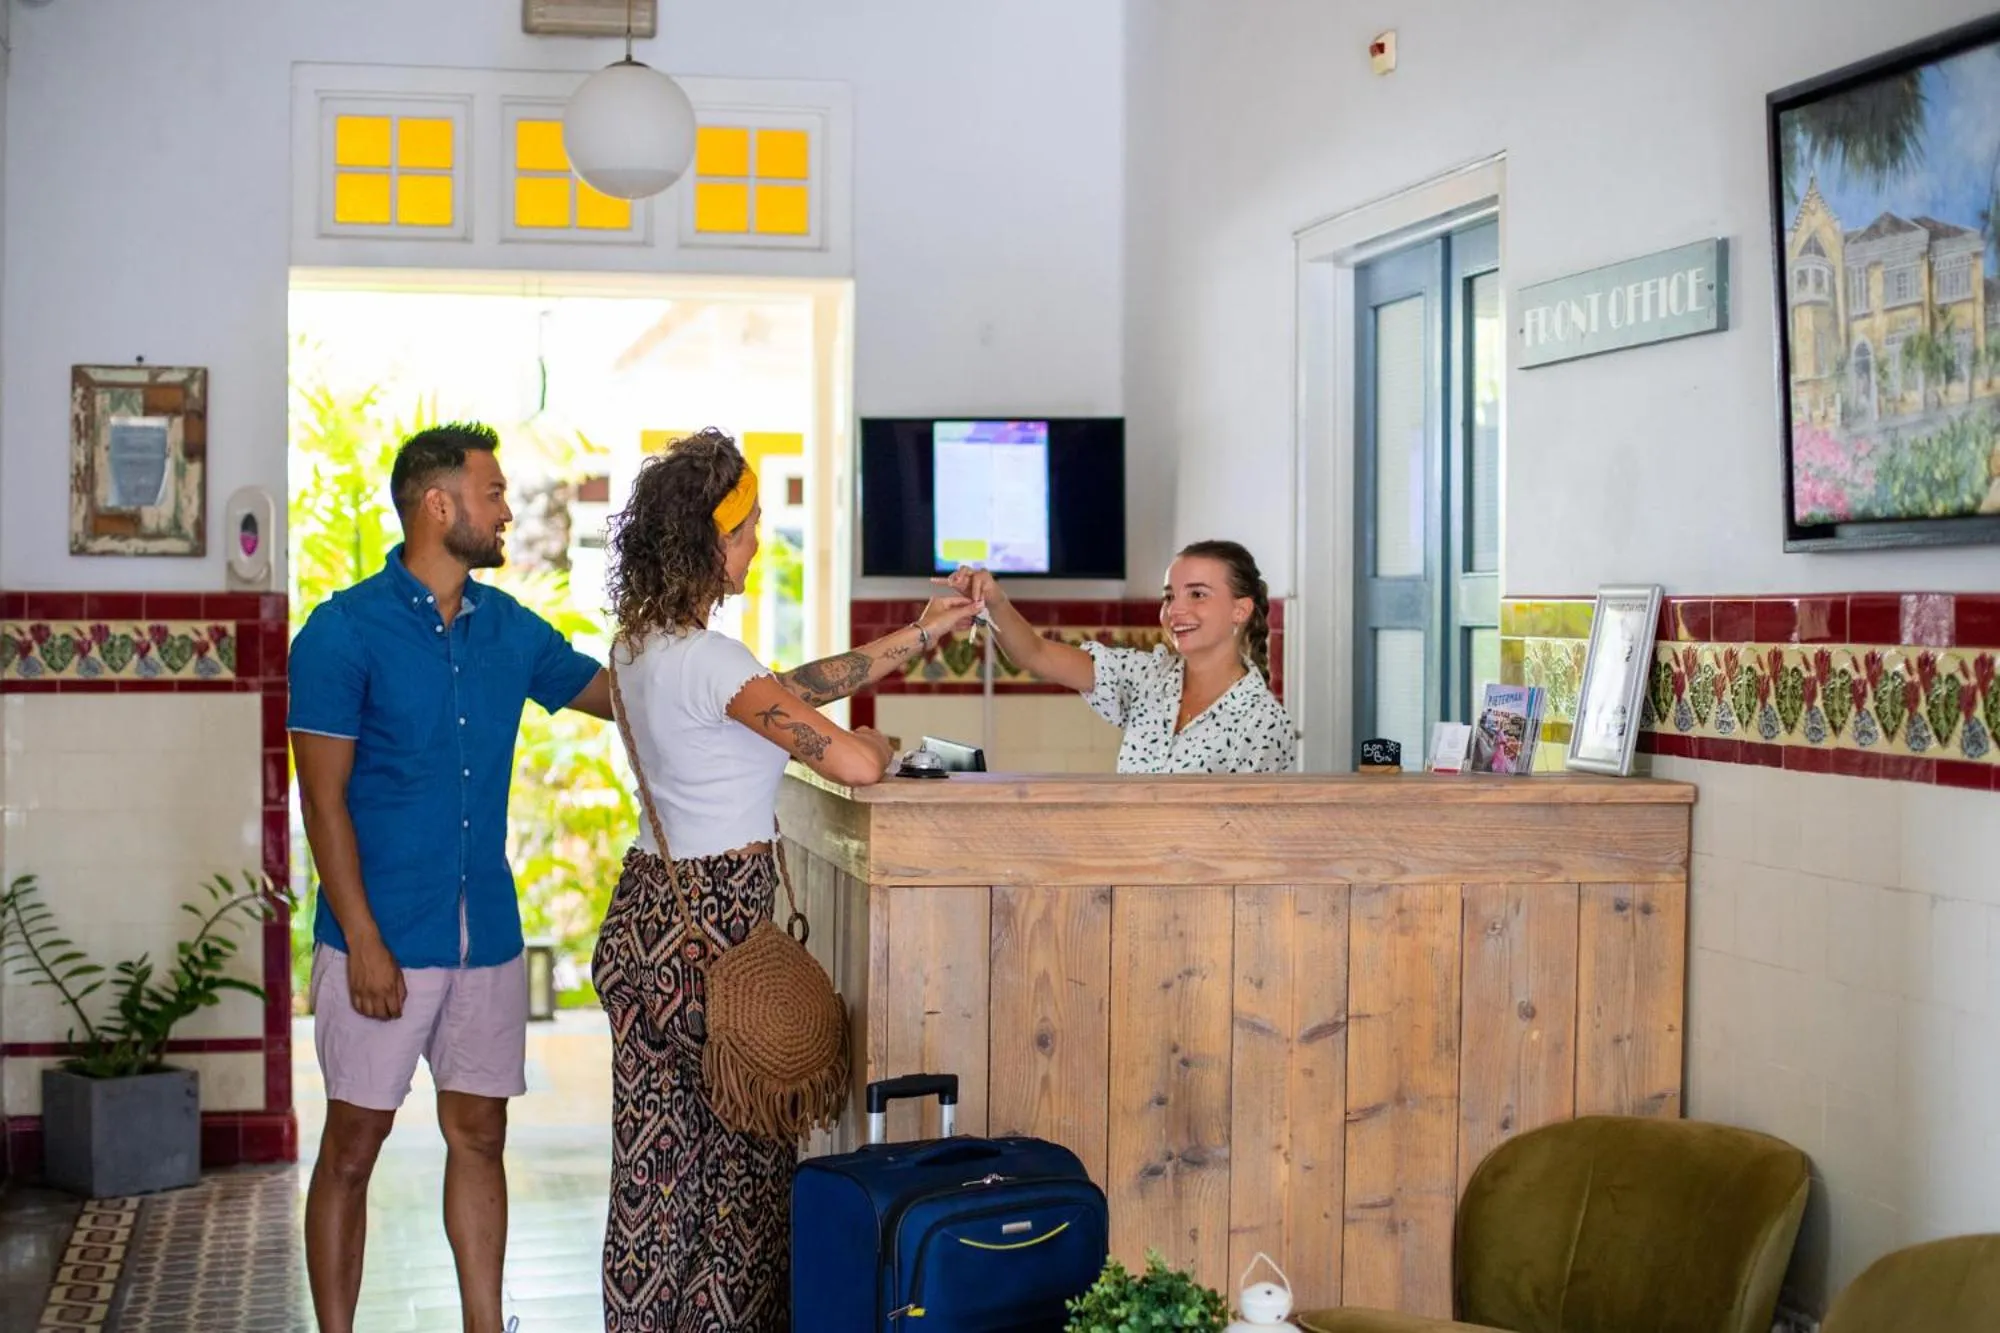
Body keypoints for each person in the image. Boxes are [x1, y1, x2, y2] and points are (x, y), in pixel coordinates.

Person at [593, 428, 981, 1332]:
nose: (759, 541)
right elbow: (853, 761)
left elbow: (792, 686)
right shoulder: (713, 660)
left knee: (655, 1170)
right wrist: (874, 741)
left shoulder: (638, 647)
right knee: (739, 1182)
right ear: (709, 540)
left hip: (649, 919)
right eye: (749, 527)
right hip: (718, 940)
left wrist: (921, 632)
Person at [288, 422, 615, 1333]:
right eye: (493, 491)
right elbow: (322, 802)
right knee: (353, 1149)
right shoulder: (341, 632)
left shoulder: (509, 629)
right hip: (382, 937)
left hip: (486, 940)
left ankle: (484, 1323)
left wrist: (738, 689)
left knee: (480, 1135)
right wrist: (362, 941)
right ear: (439, 505)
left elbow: (620, 695)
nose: (507, 509)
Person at [952, 539, 1296, 774]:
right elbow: (1035, 653)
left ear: (1240, 610)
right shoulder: (1144, 676)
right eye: (1169, 596)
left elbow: (1249, 841)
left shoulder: (1264, 723)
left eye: (1197, 595)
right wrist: (994, 600)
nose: (1175, 610)